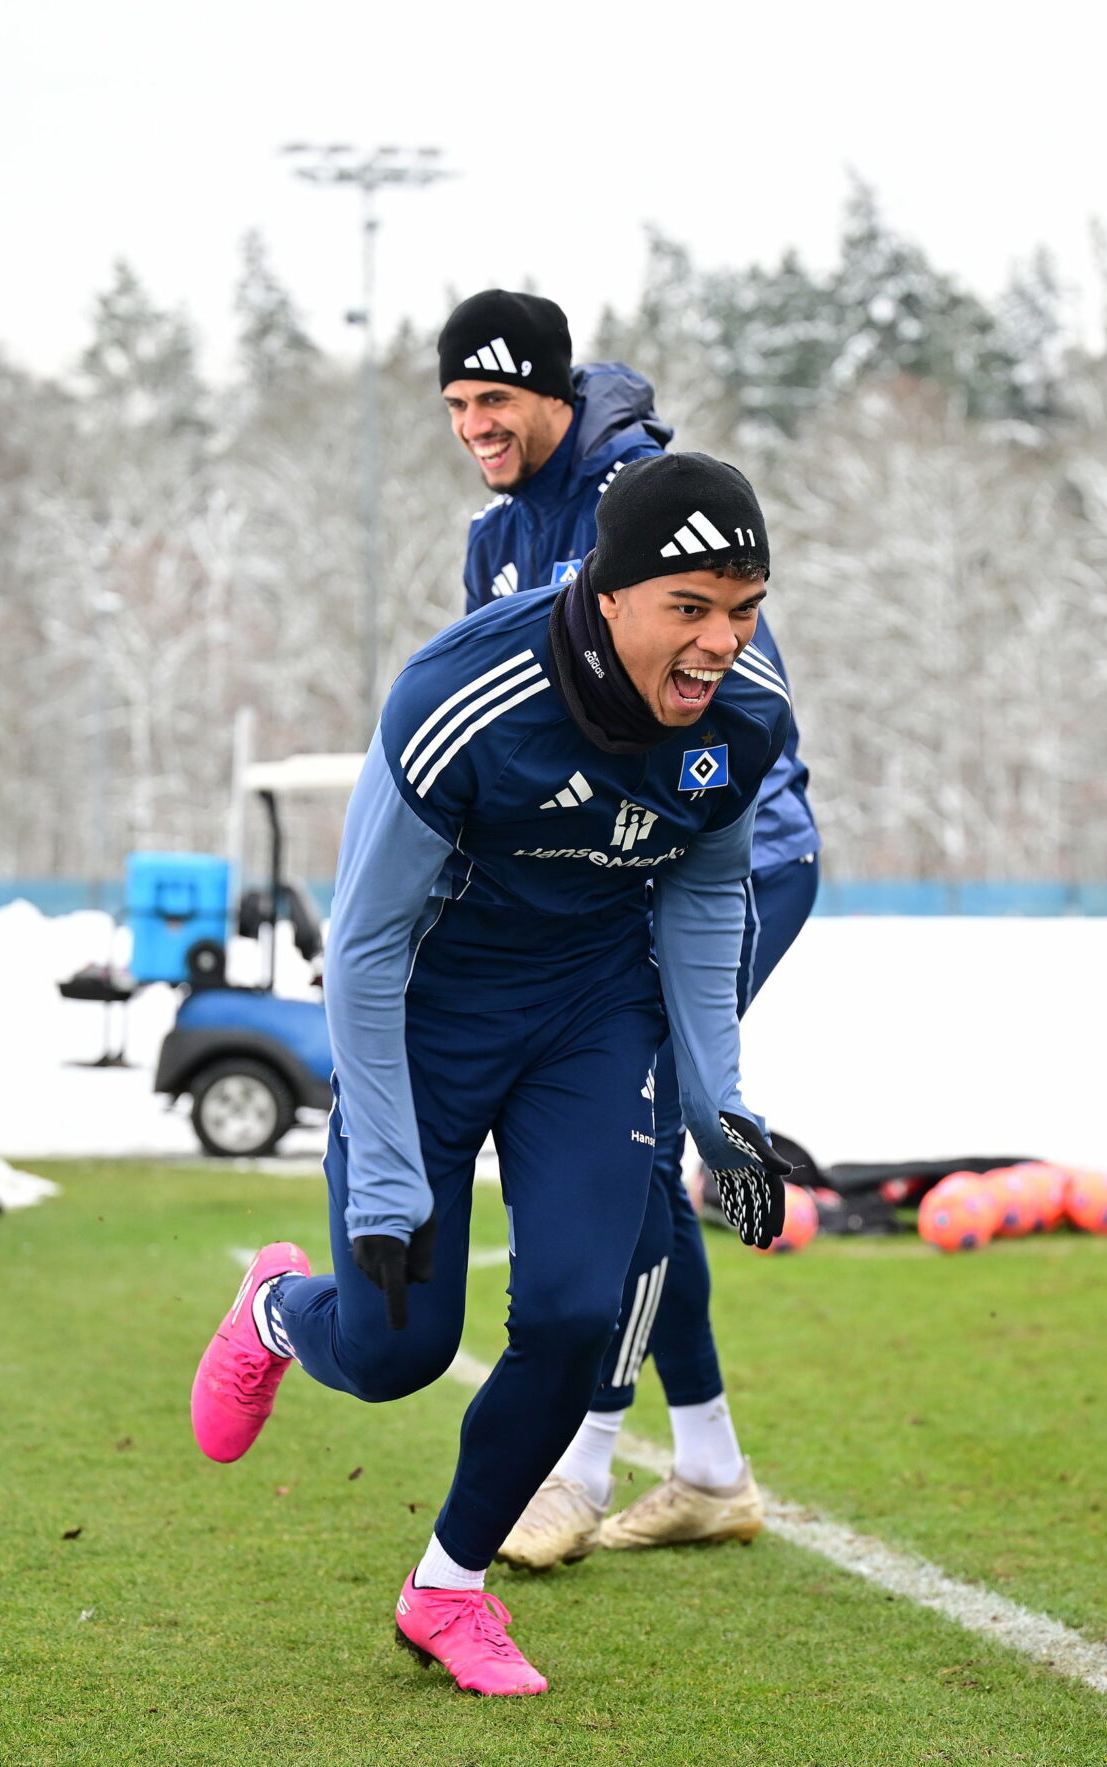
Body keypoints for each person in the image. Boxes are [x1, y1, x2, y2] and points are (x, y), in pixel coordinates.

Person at [188, 452, 797, 1697]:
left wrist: (716, 1110)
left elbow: (703, 898)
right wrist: (387, 1190)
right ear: (612, 591)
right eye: (691, 609)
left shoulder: (743, 712)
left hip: (591, 1012)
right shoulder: (463, 690)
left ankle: (447, 1589)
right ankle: (277, 1315)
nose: (721, 644)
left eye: (744, 608)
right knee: (400, 1348)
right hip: (427, 1013)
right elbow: (359, 950)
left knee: (576, 1313)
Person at [436, 289, 821, 1566]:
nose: (478, 425)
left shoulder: (648, 504)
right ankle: (706, 1464)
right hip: (604, 876)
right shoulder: (496, 538)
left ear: (555, 394)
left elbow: (730, 691)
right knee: (630, 1153)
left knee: (631, 1143)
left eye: (497, 399)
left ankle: (583, 1462)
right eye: (457, 405)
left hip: (722, 854)